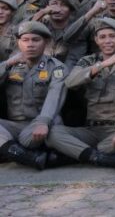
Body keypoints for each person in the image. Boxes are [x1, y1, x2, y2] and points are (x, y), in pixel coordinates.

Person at [46, 18, 115, 169]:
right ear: (96, 40)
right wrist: (101, 65)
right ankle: (100, 156)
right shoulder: (88, 61)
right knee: (52, 133)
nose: (107, 41)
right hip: (91, 129)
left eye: (112, 36)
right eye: (102, 37)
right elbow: (70, 82)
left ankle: (77, 155)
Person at [0, 22, 66, 169]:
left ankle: (13, 151)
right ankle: (33, 158)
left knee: (25, 140)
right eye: (25, 40)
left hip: (43, 123)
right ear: (18, 42)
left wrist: (43, 122)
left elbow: (54, 97)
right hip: (16, 124)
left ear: (46, 43)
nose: (30, 44)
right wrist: (8, 63)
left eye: (35, 40)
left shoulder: (56, 67)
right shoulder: (11, 65)